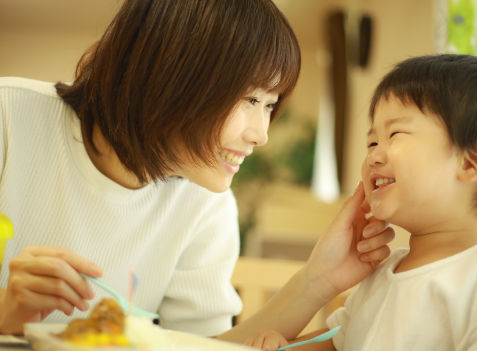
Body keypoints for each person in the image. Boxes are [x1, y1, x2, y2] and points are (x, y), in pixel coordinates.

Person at [0, 0, 395, 339]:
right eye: (247, 98)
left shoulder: (206, 200)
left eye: (270, 105)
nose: (261, 134)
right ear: (170, 76)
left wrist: (316, 282)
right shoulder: (8, 118)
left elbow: (203, 346)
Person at [244, 54, 477, 351]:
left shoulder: (470, 281)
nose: (374, 156)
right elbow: (336, 345)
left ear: (470, 163)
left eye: (395, 134)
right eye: (372, 142)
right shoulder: (381, 273)